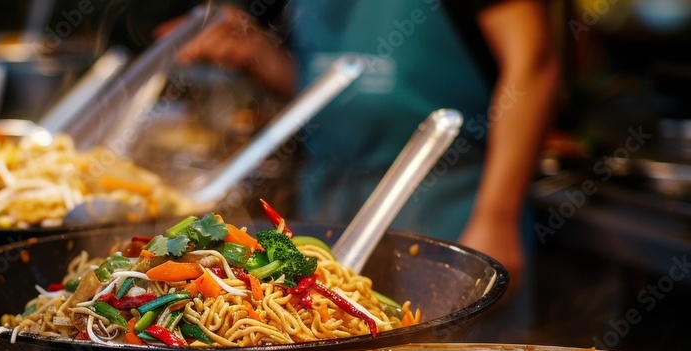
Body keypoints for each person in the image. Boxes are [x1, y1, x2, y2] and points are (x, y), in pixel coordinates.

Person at [168, 0, 561, 289]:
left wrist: (497, 217)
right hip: (328, 206)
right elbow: (326, 89)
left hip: (449, 212)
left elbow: (534, 60)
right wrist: (256, 52)